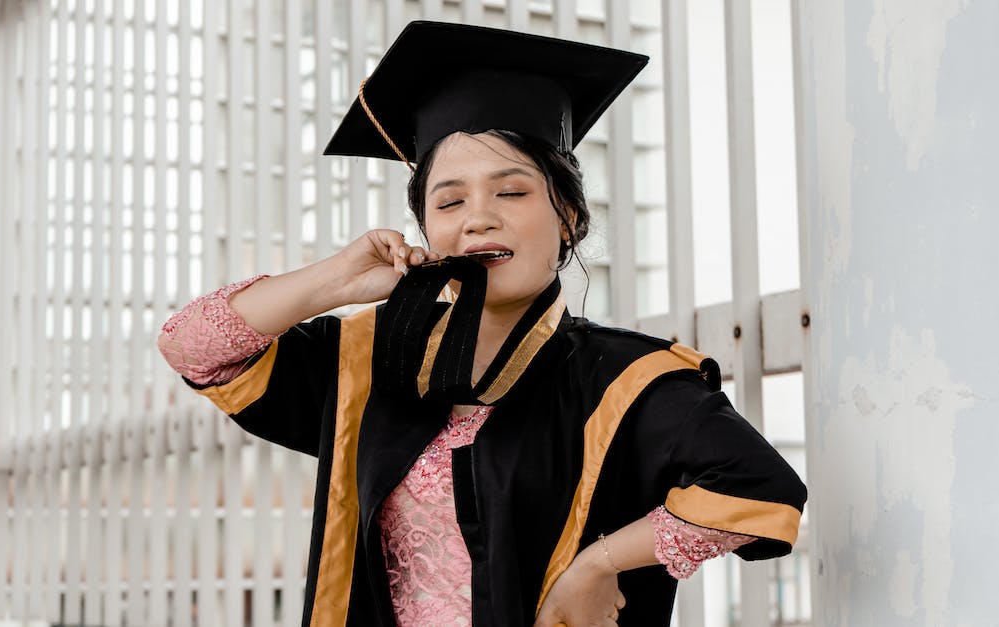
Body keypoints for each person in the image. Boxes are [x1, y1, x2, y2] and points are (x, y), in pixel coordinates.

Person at [158, 21, 806, 627]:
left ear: (570, 218)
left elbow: (762, 492)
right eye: (450, 200)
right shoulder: (367, 360)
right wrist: (334, 280)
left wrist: (598, 564)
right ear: (429, 228)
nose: (479, 216)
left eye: (512, 191)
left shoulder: (625, 380)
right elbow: (192, 348)